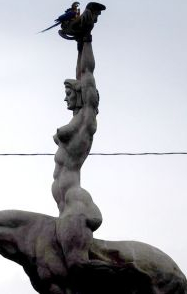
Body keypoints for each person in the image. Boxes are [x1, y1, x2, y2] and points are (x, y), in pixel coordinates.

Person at [52, 33, 108, 282]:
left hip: (74, 198)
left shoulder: (86, 120)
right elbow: (79, 74)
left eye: (68, 92)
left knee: (77, 267)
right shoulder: (76, 119)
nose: (65, 97)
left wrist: (86, 38)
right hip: (64, 201)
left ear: (80, 94)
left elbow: (86, 74)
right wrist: (78, 44)